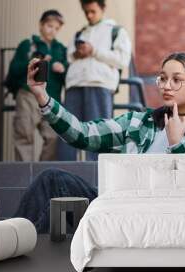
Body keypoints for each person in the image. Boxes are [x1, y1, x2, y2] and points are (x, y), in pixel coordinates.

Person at [14, 52, 185, 233]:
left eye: (176, 80)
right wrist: (42, 96)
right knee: (51, 179)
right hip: (116, 210)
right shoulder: (137, 122)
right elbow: (82, 134)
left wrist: (177, 144)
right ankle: (13, 241)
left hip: (158, 220)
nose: (166, 86)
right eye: (162, 78)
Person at [59, 0, 132, 161]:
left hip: (99, 85)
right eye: (86, 12)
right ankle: (66, 171)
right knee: (67, 131)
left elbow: (122, 60)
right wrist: (79, 53)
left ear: (103, 8)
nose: (89, 15)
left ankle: (96, 174)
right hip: (75, 85)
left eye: (93, 11)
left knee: (98, 133)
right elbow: (69, 57)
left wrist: (94, 51)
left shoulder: (116, 31)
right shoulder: (79, 33)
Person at [9, 10, 68, 161]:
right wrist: (33, 60)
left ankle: (42, 174)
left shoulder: (61, 49)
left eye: (56, 28)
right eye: (49, 26)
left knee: (54, 138)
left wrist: (62, 68)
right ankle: (24, 177)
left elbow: (70, 74)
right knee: (24, 135)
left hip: (51, 99)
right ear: (41, 25)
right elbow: (14, 70)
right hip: (28, 95)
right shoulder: (28, 45)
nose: (52, 31)